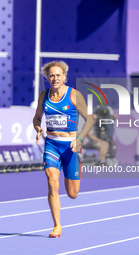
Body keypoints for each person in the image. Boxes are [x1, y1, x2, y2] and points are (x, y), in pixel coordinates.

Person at [33, 60, 93, 238]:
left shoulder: (74, 95)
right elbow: (36, 118)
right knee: (52, 184)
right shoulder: (43, 96)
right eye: (51, 75)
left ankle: (72, 175)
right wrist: (38, 129)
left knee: (72, 194)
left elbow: (89, 119)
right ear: (47, 78)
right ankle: (57, 226)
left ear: (65, 77)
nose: (55, 78)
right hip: (51, 144)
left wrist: (80, 138)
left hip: (71, 147)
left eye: (58, 75)